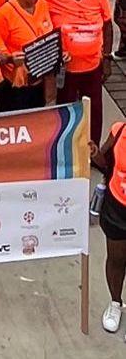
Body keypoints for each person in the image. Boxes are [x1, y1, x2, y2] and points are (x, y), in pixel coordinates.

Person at [42, 0, 112, 140]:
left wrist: (106, 58)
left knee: (95, 110)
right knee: (67, 110)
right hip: (67, 70)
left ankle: (92, 150)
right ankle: (68, 149)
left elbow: (107, 24)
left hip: (93, 66)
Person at [0, 0, 55, 112]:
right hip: (14, 86)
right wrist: (10, 59)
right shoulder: (3, 15)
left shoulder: (43, 5)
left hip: (39, 79)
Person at [90, 120, 126, 337]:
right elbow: (104, 164)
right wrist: (95, 153)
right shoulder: (119, 130)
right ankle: (115, 303)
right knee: (116, 259)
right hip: (116, 209)